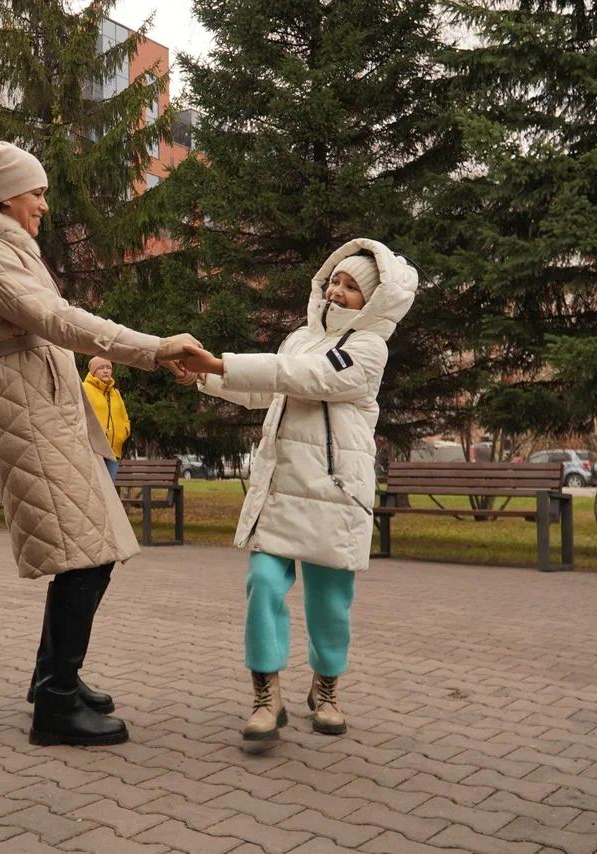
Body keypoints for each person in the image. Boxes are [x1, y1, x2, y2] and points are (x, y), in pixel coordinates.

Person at [0, 137, 200, 747]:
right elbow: (57, 321)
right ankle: (57, 702)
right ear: (7, 197)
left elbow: (54, 324)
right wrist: (153, 347)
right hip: (26, 405)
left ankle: (53, 678)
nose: (45, 205)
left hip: (45, 404)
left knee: (90, 548)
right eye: (38, 193)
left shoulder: (11, 250)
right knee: (84, 552)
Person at [176, 241, 417, 751]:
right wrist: (205, 377)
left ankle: (325, 691)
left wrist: (221, 363)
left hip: (335, 490)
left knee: (331, 603)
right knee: (263, 583)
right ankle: (267, 697)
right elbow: (270, 390)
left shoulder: (370, 348)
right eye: (336, 280)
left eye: (352, 286)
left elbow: (311, 379)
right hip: (283, 486)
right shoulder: (298, 338)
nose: (338, 289)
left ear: (373, 300)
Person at [82, 356, 130, 479]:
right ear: (93, 371)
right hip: (94, 449)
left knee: (110, 491)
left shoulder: (116, 393)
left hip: (114, 450)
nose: (105, 371)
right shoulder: (85, 389)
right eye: (101, 368)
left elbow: (124, 417)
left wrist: (124, 432)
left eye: (108, 367)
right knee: (97, 491)